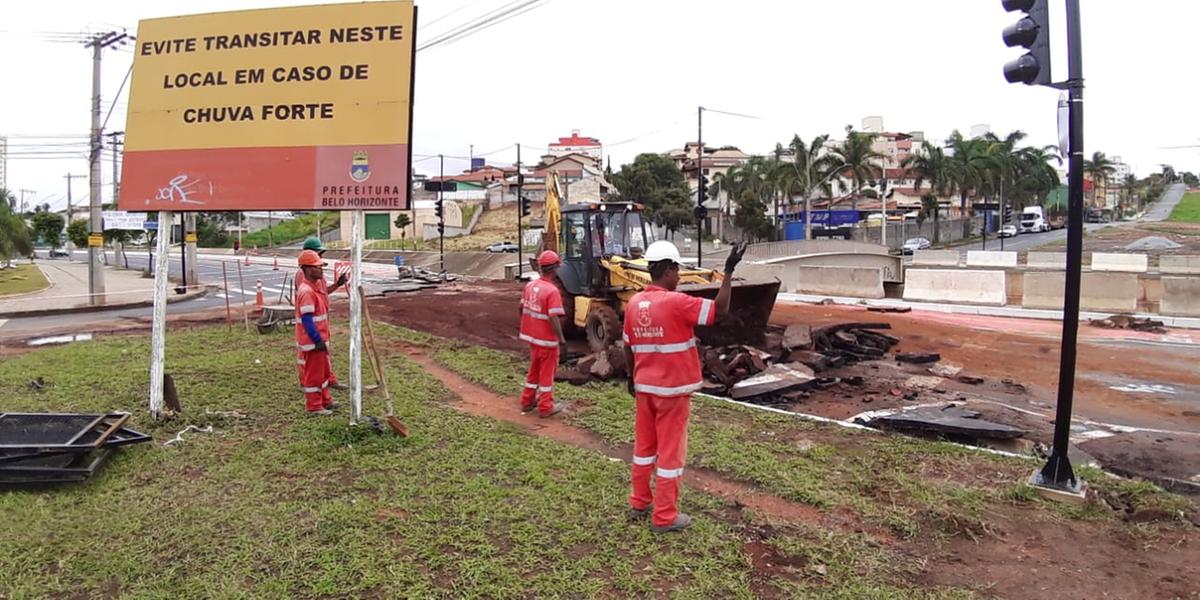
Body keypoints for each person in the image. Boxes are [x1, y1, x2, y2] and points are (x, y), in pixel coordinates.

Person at [622, 240, 747, 533]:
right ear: (667, 270)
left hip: (645, 389)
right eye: (677, 271)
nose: (678, 277)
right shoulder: (677, 303)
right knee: (670, 455)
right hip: (672, 393)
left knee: (643, 449)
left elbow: (627, 346)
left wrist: (632, 378)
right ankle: (664, 517)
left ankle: (640, 502)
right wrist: (728, 272)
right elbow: (720, 310)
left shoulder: (635, 304)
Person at [519, 250, 568, 418]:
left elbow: (521, 308)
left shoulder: (530, 286)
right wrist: (561, 340)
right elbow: (553, 317)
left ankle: (527, 401)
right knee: (547, 374)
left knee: (534, 370)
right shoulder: (552, 291)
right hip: (547, 341)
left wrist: (530, 323)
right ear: (555, 269)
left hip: (533, 338)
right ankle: (546, 406)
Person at [297, 237, 349, 390]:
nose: (321, 258)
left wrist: (338, 284)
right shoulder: (304, 277)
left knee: (322, 356)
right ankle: (308, 384)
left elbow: (323, 293)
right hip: (310, 326)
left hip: (320, 325)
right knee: (309, 358)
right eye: (319, 254)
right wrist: (315, 336)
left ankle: (328, 381)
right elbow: (307, 301)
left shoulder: (316, 274)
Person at [294, 250, 337, 415]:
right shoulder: (306, 291)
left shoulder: (315, 287)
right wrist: (316, 340)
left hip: (320, 340)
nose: (321, 270)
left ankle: (326, 401)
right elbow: (307, 319)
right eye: (318, 267)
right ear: (308, 269)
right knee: (314, 376)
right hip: (313, 343)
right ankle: (314, 406)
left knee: (324, 373)